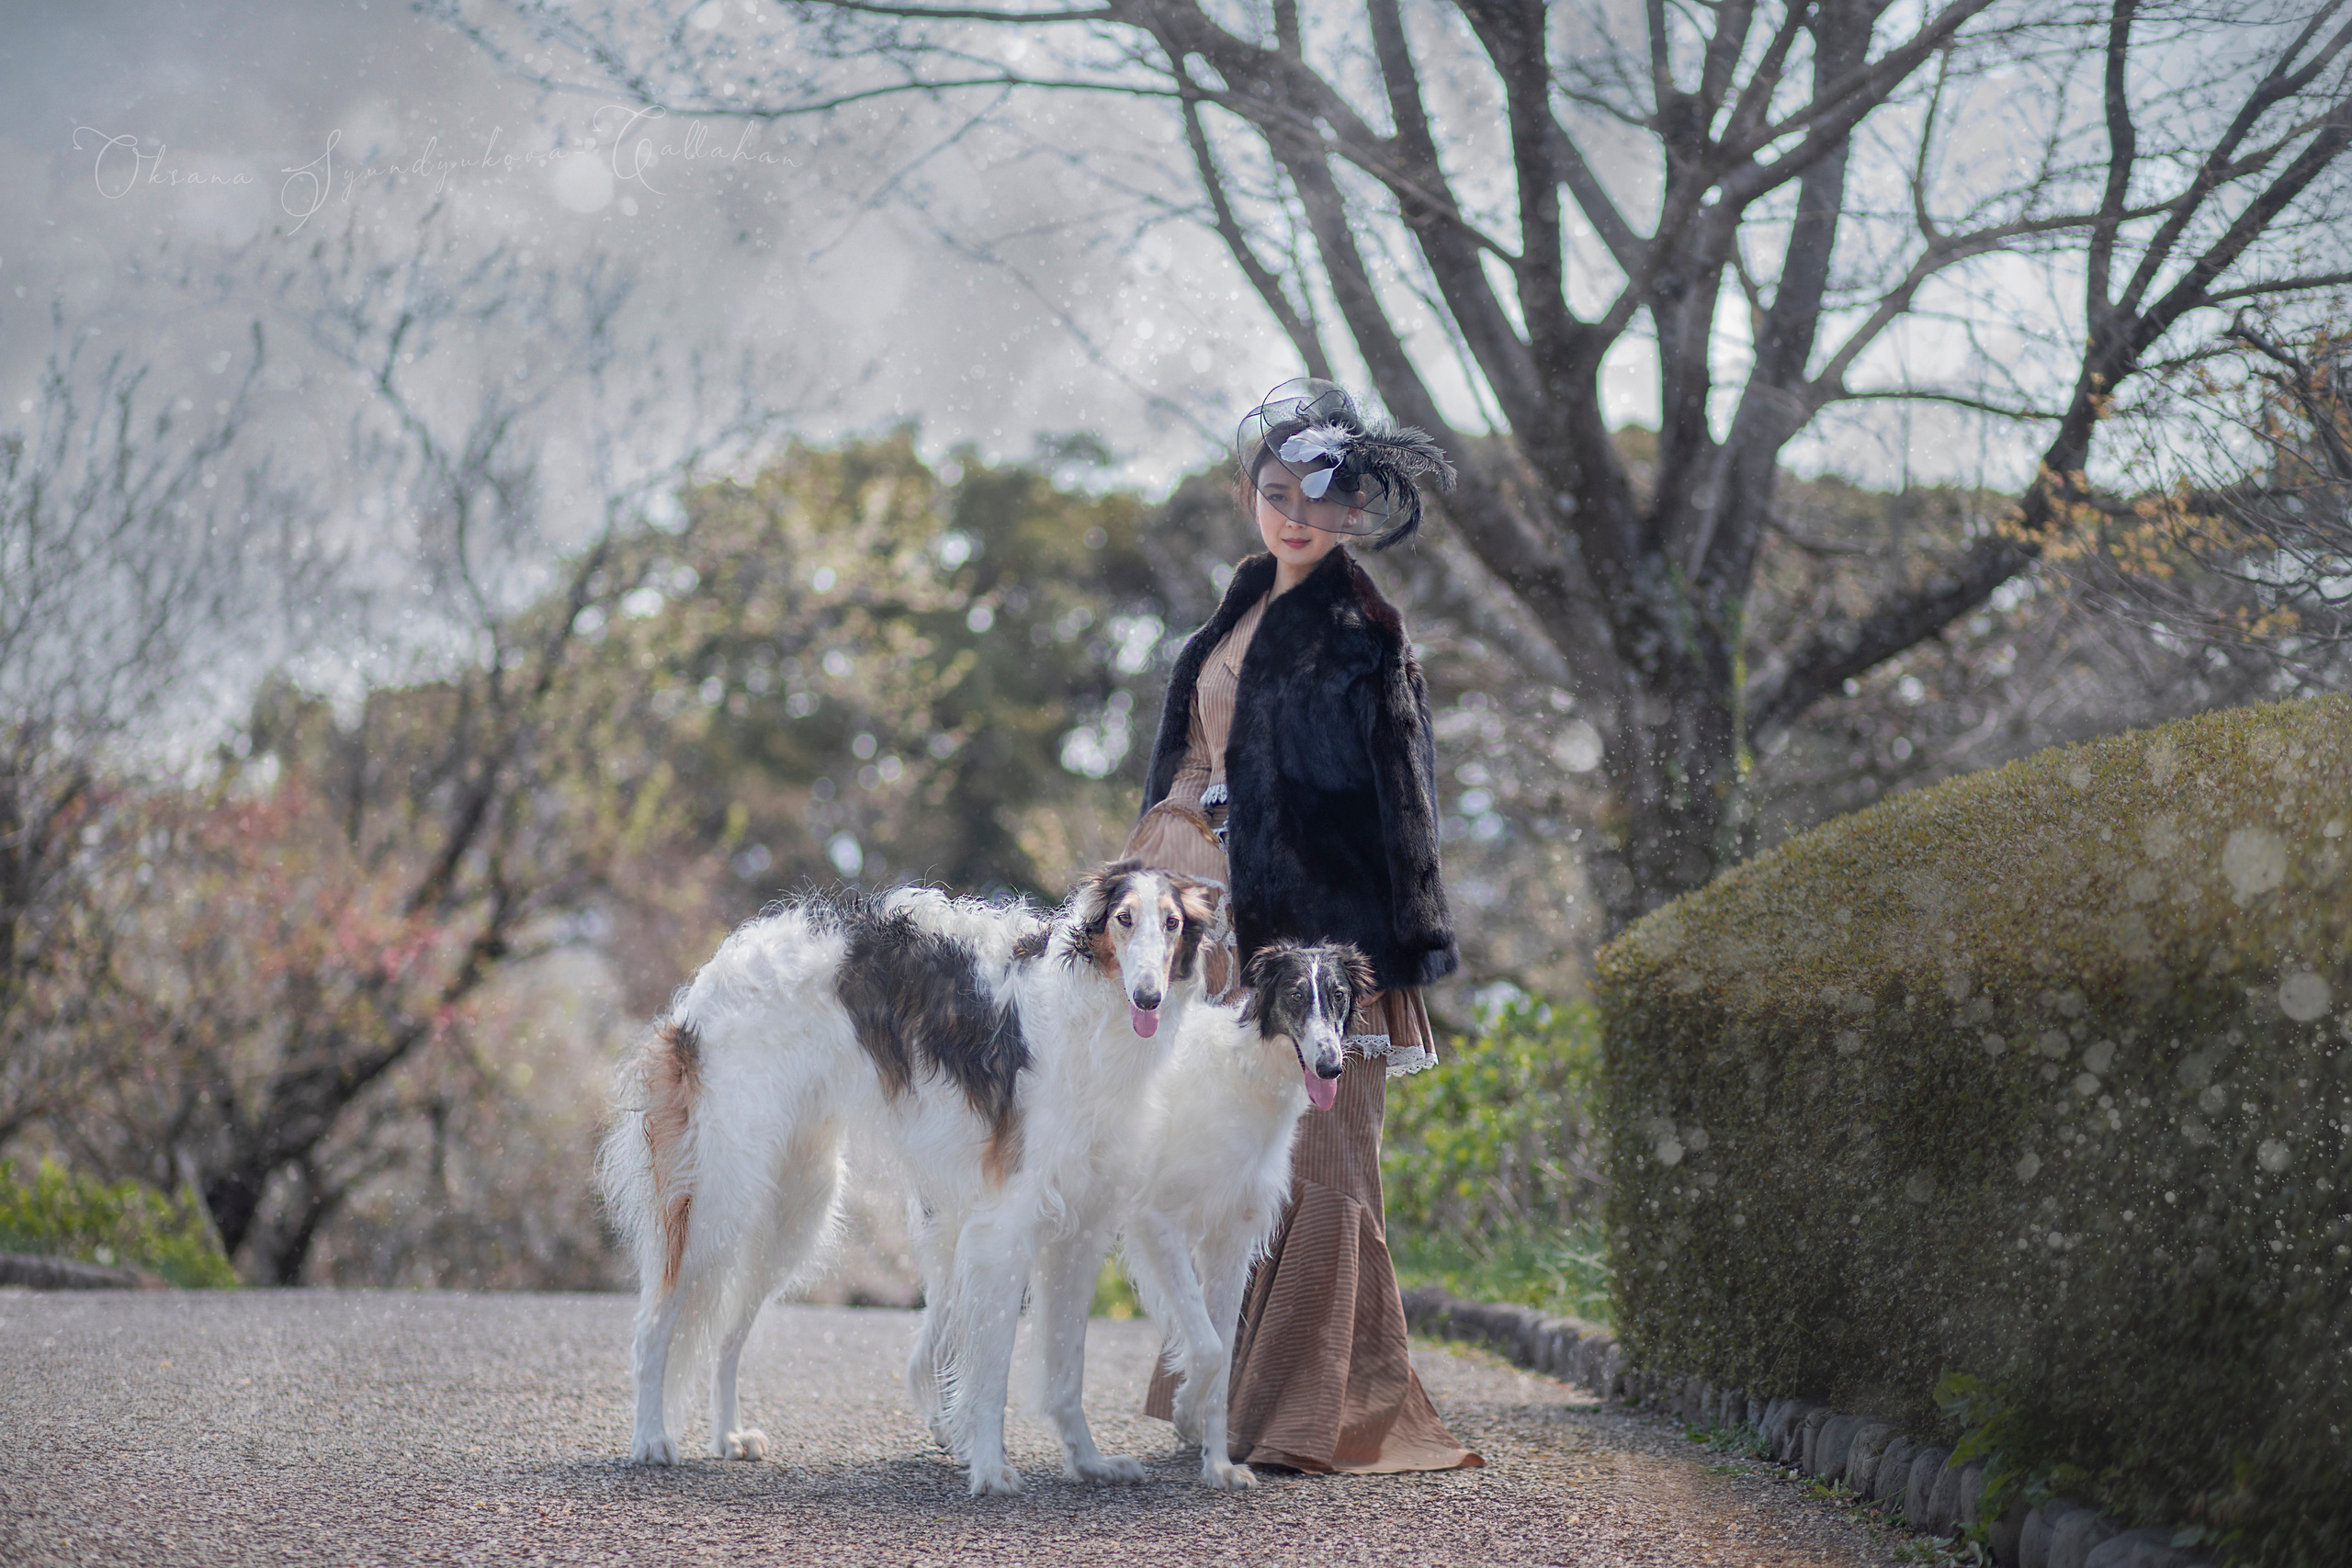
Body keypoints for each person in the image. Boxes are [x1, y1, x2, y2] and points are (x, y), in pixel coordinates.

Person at [1124, 378, 1481, 1474]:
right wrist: (1176, 849)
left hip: (1329, 944)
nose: (1295, 518)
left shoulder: (1365, 631)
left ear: (1356, 514)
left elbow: (1394, 805)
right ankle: (1227, 1407)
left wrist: (1367, 958)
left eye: (1318, 502)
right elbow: (1189, 761)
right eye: (1275, 493)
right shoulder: (1226, 625)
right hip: (1228, 934)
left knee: (1323, 1168)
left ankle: (1314, 1412)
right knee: (1237, 1171)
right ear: (1248, 494)